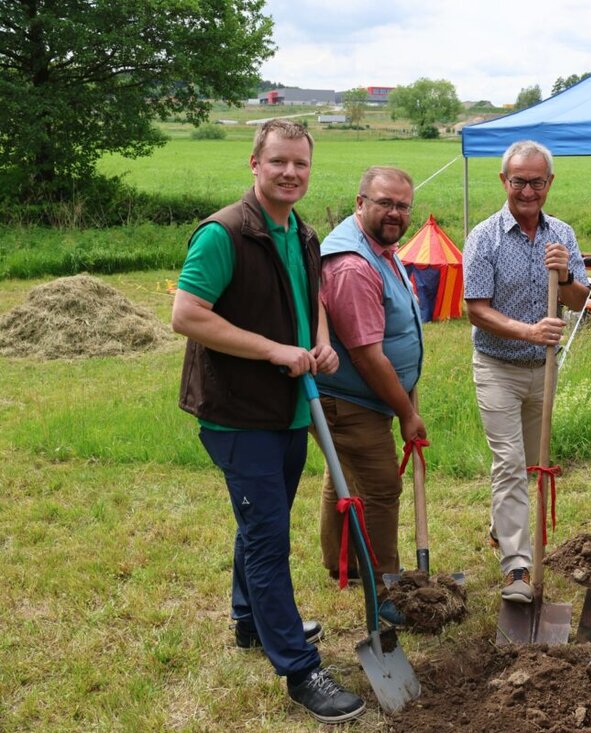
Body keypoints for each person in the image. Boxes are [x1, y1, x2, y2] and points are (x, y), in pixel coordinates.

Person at [171, 119, 365, 724]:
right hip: (236, 412)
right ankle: (299, 667)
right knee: (268, 536)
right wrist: (274, 349)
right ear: (254, 163)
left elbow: (314, 304)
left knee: (263, 518)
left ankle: (249, 620)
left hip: (289, 407)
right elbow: (186, 315)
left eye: (300, 164)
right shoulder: (224, 234)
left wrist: (323, 343)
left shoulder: (302, 234)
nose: (290, 173)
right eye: (278, 161)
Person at [464, 140, 590, 603]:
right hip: (497, 366)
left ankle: (502, 526)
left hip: (545, 369)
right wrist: (526, 331)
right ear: (504, 181)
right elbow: (476, 309)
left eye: (537, 181)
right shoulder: (485, 237)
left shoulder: (563, 235)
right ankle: (517, 567)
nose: (528, 190)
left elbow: (580, 302)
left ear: (549, 183)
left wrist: (567, 276)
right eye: (519, 181)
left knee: (532, 464)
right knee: (510, 463)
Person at [313, 166, 423, 626]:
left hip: (364, 398)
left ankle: (346, 565)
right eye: (385, 203)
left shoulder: (380, 248)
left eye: (402, 205)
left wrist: (408, 398)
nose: (395, 213)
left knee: (344, 476)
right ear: (361, 203)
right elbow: (366, 355)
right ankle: (384, 586)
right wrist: (406, 413)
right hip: (352, 398)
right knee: (380, 487)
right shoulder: (352, 264)